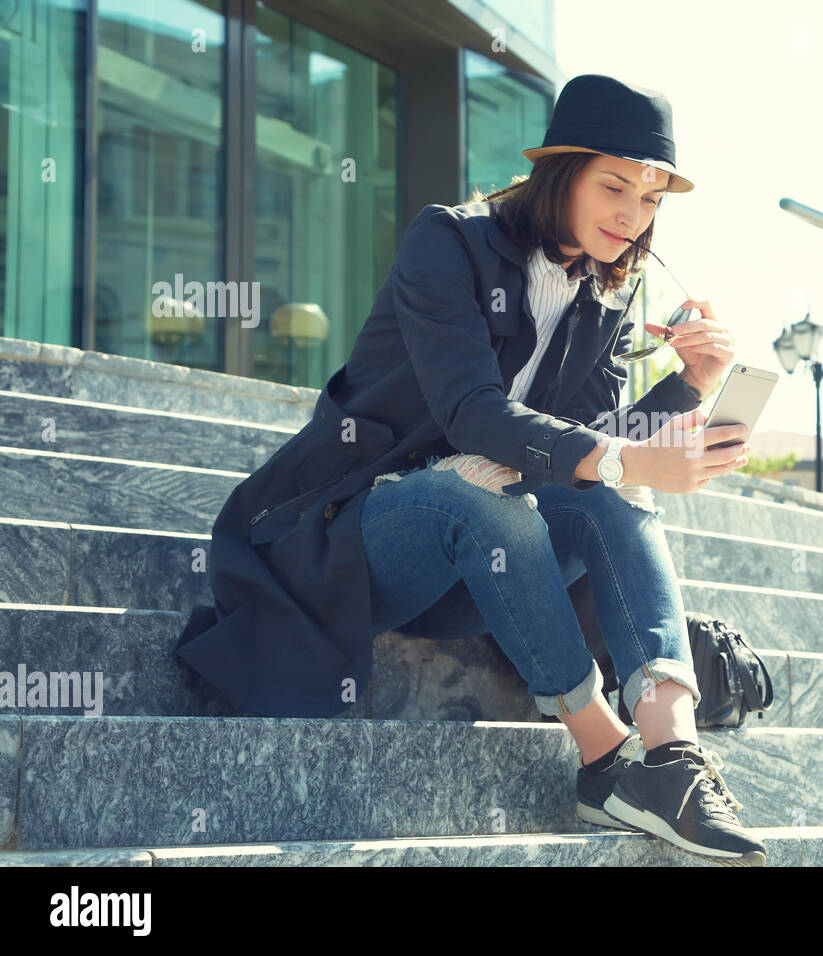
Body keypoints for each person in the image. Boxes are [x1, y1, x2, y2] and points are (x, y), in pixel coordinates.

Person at [174, 74, 764, 866]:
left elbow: (587, 444)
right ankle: (604, 759)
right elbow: (472, 413)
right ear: (562, 172)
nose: (634, 215)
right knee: (483, 495)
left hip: (486, 568)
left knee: (614, 501)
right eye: (615, 186)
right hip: (361, 534)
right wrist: (627, 456)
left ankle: (675, 760)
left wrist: (691, 388)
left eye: (652, 199)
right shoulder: (448, 241)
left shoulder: (604, 292)